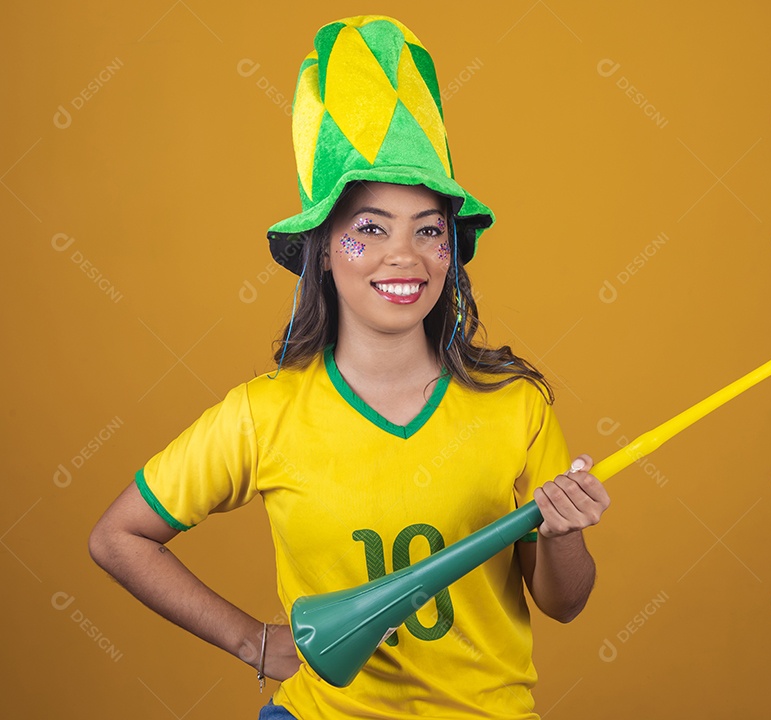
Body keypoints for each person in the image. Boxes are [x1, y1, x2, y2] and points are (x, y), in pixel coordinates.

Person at [88, 14, 609, 720]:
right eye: (370, 228)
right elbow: (118, 537)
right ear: (325, 251)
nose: (405, 256)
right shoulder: (265, 413)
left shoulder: (514, 405)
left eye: (429, 229)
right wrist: (252, 642)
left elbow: (564, 603)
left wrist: (562, 533)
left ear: (451, 251)